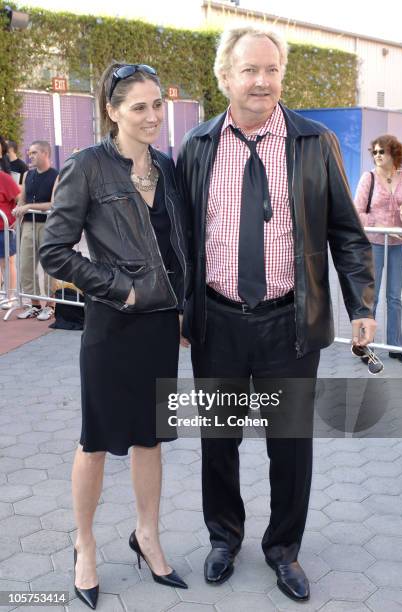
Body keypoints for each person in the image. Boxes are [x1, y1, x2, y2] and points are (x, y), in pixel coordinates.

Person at [176, 25, 376, 603]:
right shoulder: (197, 146)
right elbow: (183, 238)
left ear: (281, 75)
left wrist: (361, 303)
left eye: (271, 70)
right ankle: (224, 536)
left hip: (290, 323)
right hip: (217, 322)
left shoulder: (314, 142)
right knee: (219, 440)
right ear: (225, 78)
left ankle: (283, 548)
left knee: (289, 444)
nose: (261, 81)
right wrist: (179, 310)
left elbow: (348, 232)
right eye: (249, 70)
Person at [40, 62, 190, 609]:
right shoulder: (87, 168)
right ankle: (84, 546)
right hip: (112, 322)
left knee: (152, 438)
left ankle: (146, 535)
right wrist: (119, 289)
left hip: (158, 326)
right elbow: (53, 250)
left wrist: (182, 306)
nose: (152, 117)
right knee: (97, 439)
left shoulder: (168, 168)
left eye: (157, 106)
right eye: (138, 107)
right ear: (112, 111)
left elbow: (177, 247)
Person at [354, 135, 402, 364]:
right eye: (374, 152)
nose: (377, 155)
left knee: (394, 298)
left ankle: (396, 346)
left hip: (399, 245)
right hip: (374, 243)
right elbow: (357, 212)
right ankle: (367, 346)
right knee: (372, 298)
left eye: (381, 151)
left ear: (393, 153)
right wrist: (381, 226)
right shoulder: (369, 178)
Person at [12, 140, 58, 321]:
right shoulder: (28, 175)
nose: (30, 156)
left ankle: (51, 305)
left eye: (34, 153)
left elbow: (54, 203)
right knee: (26, 266)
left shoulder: (56, 175)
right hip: (28, 225)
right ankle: (35, 304)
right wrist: (19, 209)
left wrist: (29, 206)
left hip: (47, 225)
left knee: (48, 265)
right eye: (29, 153)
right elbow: (22, 200)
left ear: (45, 154)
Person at [0, 136, 20, 308]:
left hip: (4, 228)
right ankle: (2, 294)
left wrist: (15, 216)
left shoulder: (4, 178)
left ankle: (11, 295)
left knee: (8, 262)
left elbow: (20, 197)